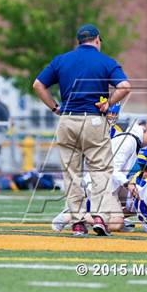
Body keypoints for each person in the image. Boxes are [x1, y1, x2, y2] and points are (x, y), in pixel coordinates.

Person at [33, 23, 131, 236]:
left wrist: (55, 107)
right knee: (101, 172)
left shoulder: (61, 60)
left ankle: (77, 222)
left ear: (80, 41)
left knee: (71, 173)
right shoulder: (106, 61)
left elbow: (38, 85)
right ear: (97, 39)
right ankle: (99, 218)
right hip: (94, 121)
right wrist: (108, 103)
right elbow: (124, 86)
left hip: (67, 120)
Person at [51, 112, 147, 233]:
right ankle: (73, 216)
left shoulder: (136, 141)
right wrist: (127, 183)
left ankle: (113, 216)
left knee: (143, 195)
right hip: (101, 184)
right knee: (117, 224)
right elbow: (112, 167)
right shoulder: (130, 140)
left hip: (110, 183)